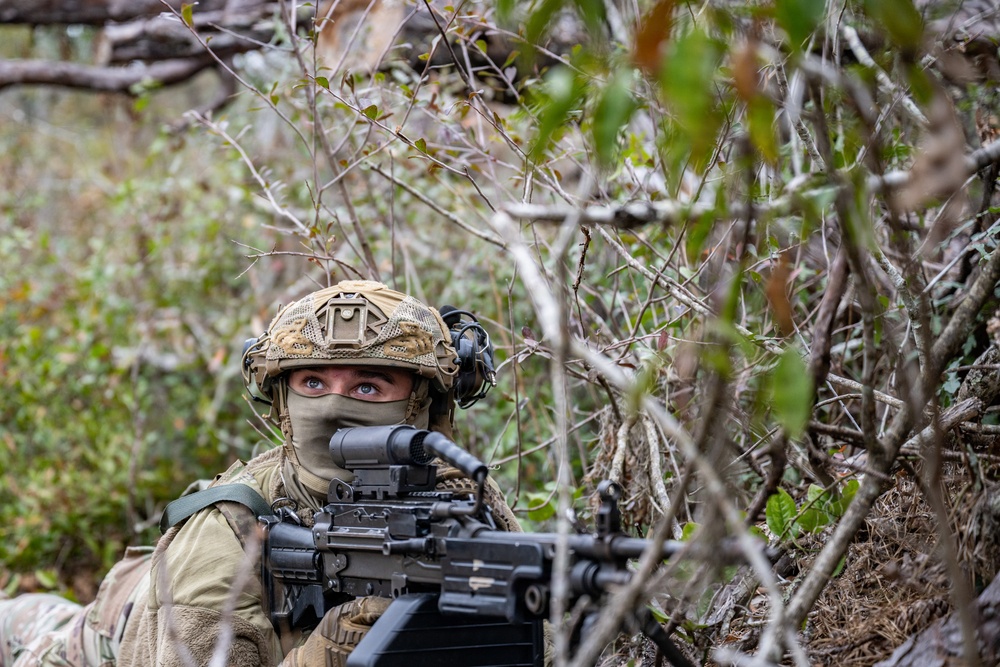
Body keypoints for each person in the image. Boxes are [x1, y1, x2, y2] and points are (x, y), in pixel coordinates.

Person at [0, 279, 519, 666]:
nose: (333, 407)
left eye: (368, 387)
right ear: (281, 401)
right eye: (312, 383)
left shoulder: (459, 498)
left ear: (425, 402)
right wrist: (328, 652)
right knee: (22, 623)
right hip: (105, 641)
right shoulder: (224, 531)